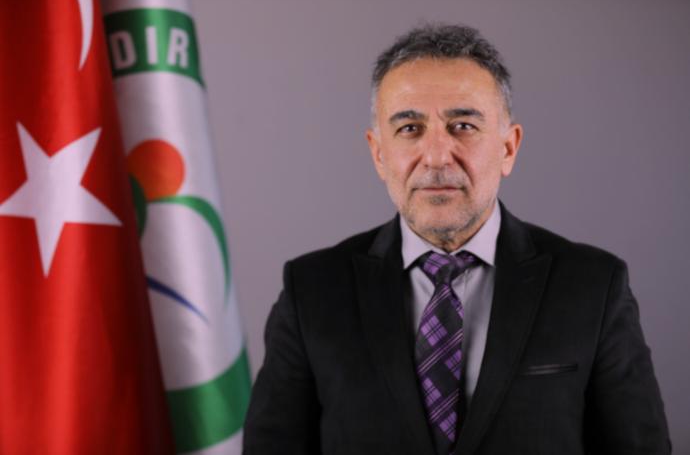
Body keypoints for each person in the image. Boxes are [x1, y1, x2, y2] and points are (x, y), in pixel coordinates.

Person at [243, 24, 670, 455]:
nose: (435, 157)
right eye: (410, 128)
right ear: (378, 153)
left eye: (463, 125)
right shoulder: (311, 291)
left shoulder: (594, 287)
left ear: (508, 148)